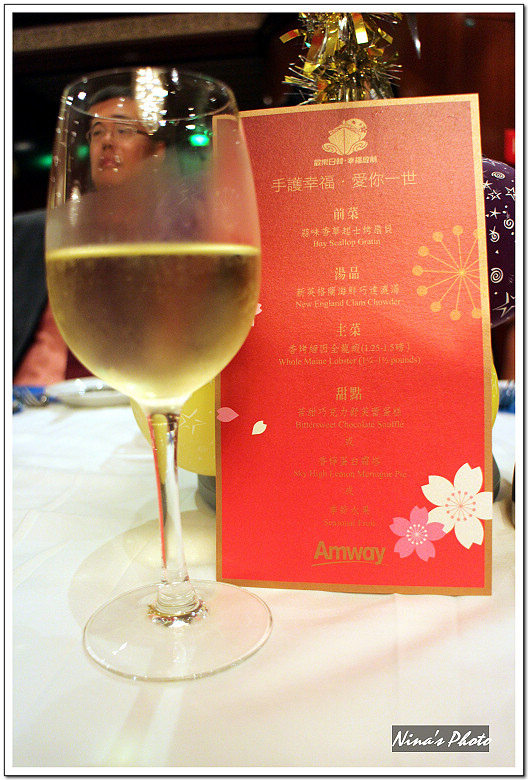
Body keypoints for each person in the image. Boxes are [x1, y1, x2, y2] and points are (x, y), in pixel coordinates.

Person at [14, 87, 166, 386]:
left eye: (123, 130)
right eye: (97, 132)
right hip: (21, 403)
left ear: (156, 153)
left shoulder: (181, 241)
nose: (107, 141)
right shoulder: (31, 233)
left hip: (129, 399)